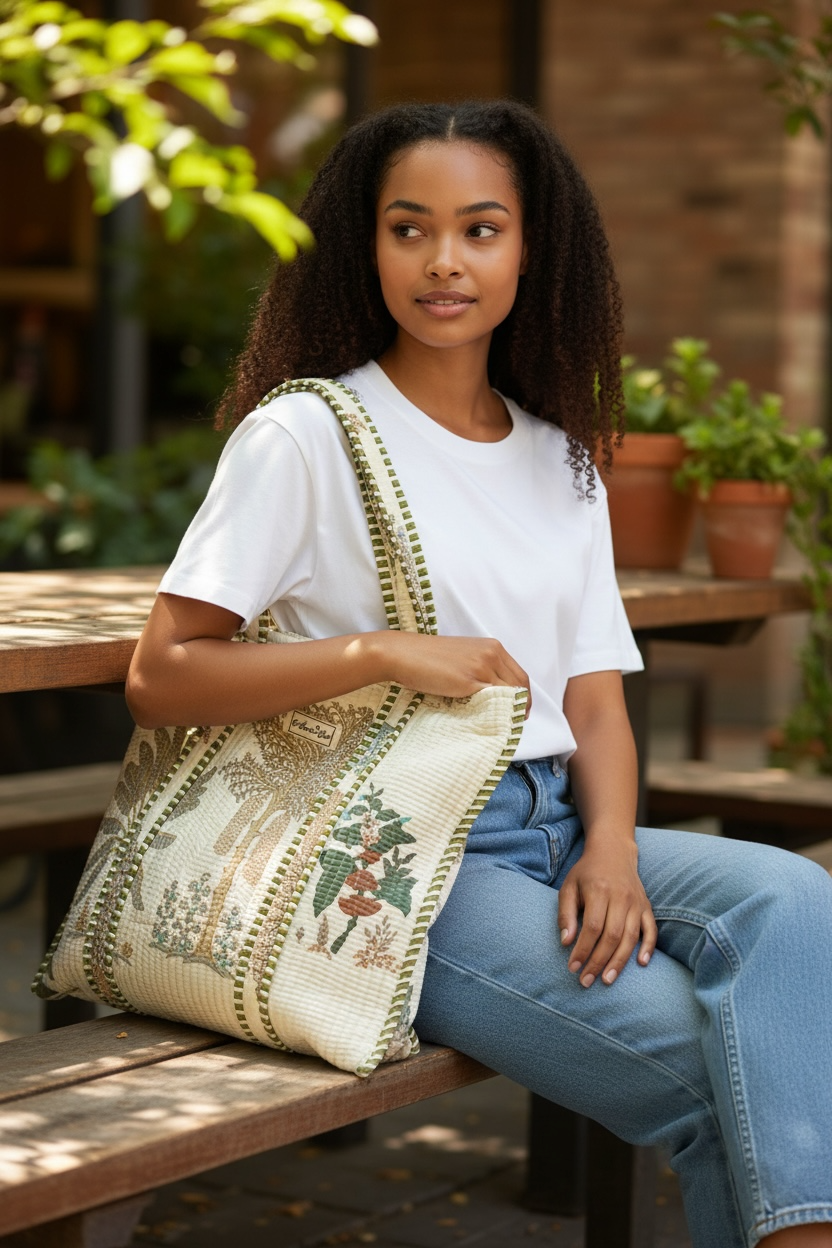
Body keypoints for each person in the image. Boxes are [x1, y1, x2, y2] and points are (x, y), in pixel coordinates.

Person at [126, 101, 832, 1248]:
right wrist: (376, 650)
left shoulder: (562, 458)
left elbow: (594, 701)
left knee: (800, 901)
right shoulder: (307, 435)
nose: (443, 260)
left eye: (479, 229)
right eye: (408, 229)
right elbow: (163, 673)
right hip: (401, 861)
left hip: (556, 825)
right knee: (734, 1072)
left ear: (530, 248)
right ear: (368, 247)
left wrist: (612, 850)